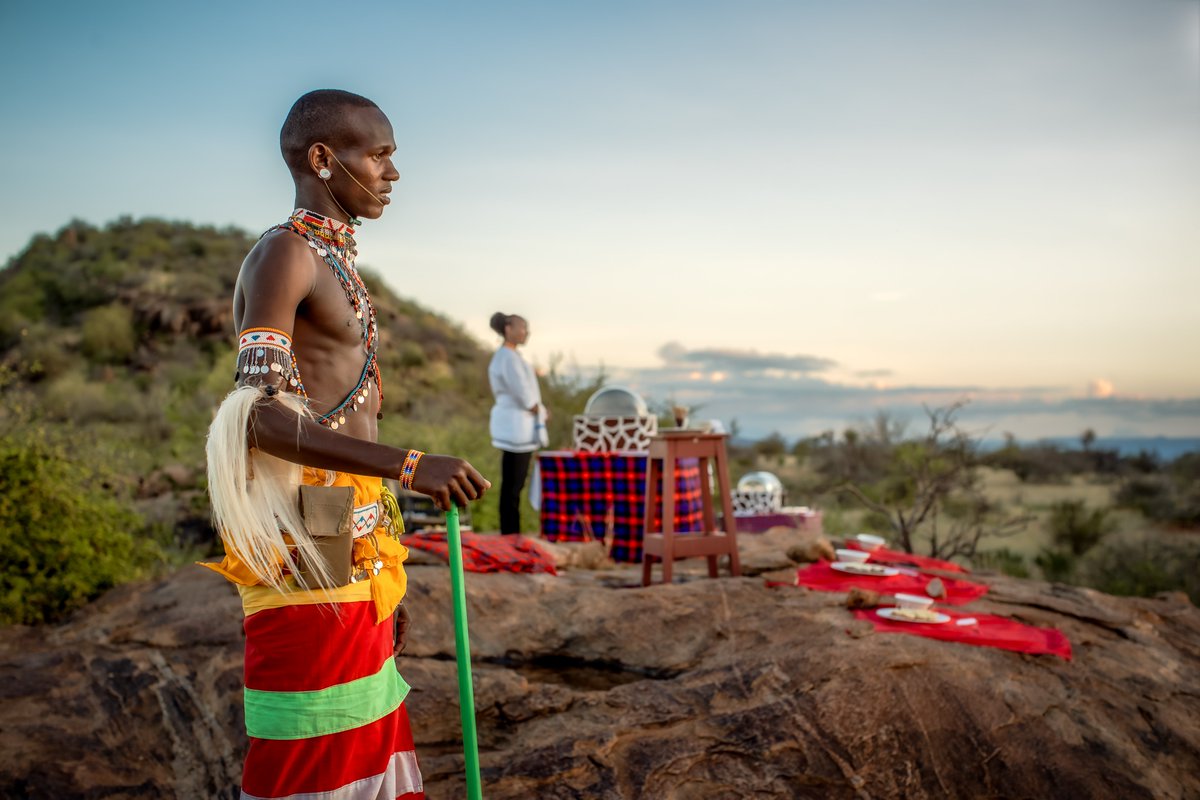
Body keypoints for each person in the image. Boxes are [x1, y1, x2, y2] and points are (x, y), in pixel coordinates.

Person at [200, 89, 490, 800]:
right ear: (324, 159)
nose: (392, 174)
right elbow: (256, 420)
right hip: (306, 535)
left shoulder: (335, 263)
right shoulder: (284, 256)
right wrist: (413, 466)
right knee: (316, 747)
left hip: (354, 534)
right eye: (380, 155)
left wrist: (385, 531)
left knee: (366, 724)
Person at [487, 312, 546, 535]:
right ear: (509, 328)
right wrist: (539, 410)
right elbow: (523, 394)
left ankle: (511, 532)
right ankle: (510, 534)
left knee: (513, 485)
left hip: (518, 426)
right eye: (523, 327)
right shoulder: (508, 358)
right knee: (513, 485)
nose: (526, 332)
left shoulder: (511, 356)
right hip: (516, 428)